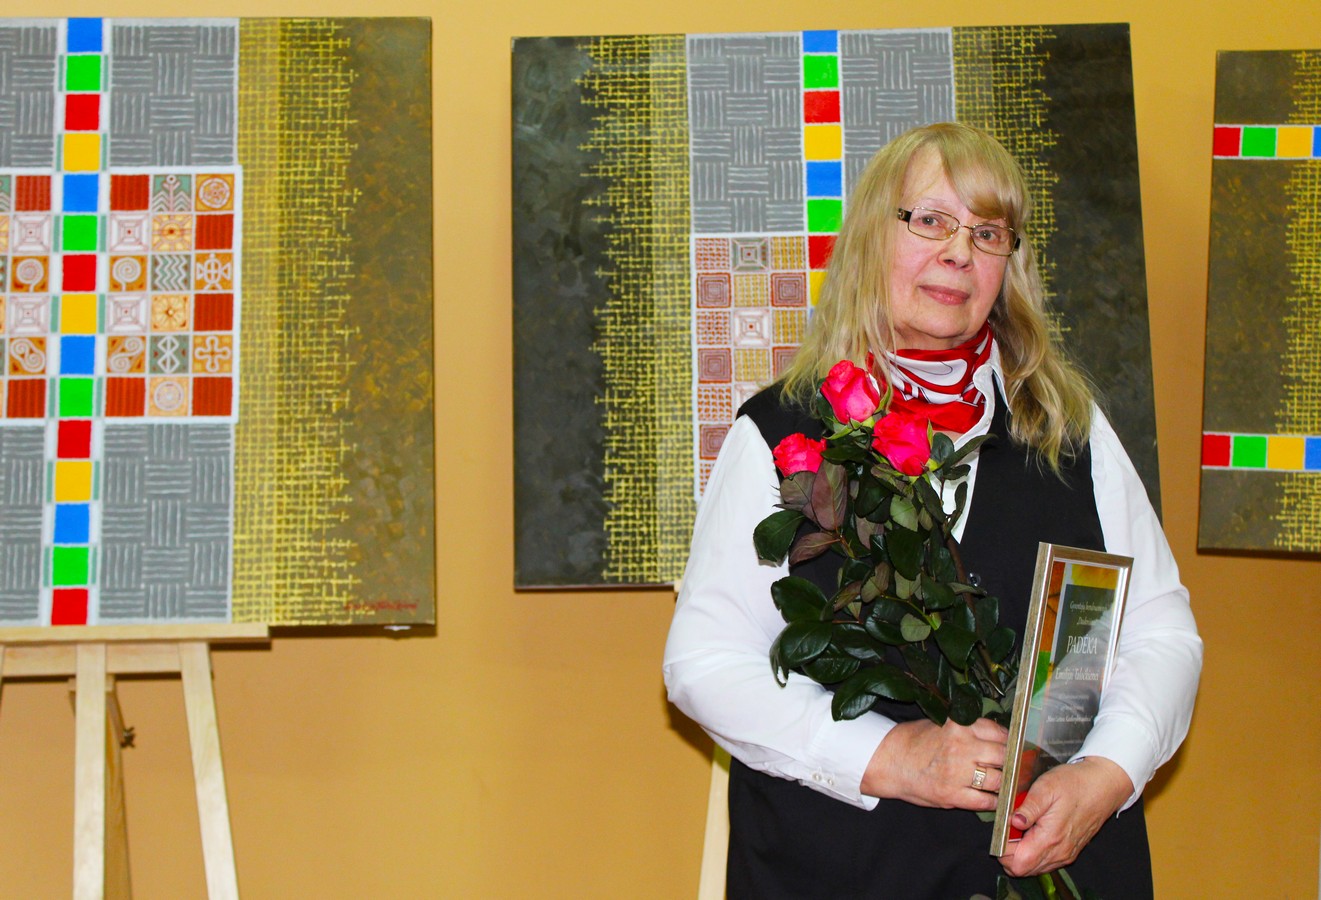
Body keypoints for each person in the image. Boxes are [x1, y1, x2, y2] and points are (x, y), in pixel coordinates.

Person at [663, 122, 1202, 898]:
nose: (958, 252)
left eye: (987, 232)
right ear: (869, 239)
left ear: (1007, 266)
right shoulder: (780, 434)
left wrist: (1107, 773)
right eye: (929, 221)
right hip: (842, 874)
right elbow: (705, 663)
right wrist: (889, 758)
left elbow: (1158, 631)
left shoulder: (1069, 431)